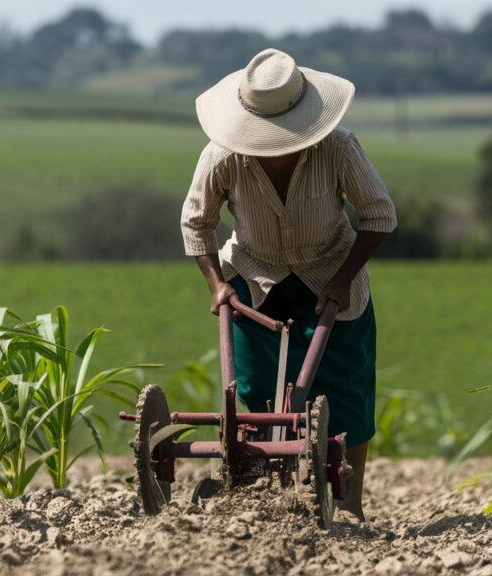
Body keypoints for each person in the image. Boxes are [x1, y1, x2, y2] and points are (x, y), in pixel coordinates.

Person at [180, 48, 396, 521]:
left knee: (346, 390)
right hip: (255, 278)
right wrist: (216, 285)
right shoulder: (223, 156)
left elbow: (381, 215)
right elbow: (196, 224)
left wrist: (343, 279)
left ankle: (348, 501)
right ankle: (257, 497)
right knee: (253, 390)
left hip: (331, 275)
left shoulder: (339, 148)